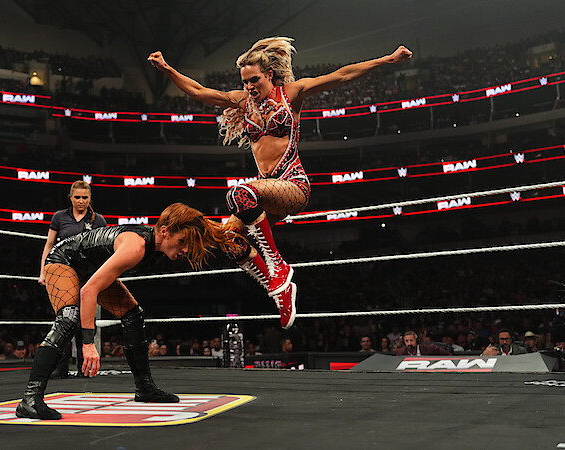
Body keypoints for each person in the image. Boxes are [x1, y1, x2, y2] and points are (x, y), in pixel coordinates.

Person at [149, 38, 413, 329]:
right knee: (227, 239)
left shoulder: (292, 93)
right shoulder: (242, 102)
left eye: (254, 80)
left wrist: (387, 60)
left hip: (293, 185)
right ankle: (279, 290)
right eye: (245, 82)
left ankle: (278, 265)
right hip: (264, 196)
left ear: (269, 75)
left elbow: (341, 75)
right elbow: (199, 92)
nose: (249, 86)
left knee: (239, 193)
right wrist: (166, 69)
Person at [15, 202, 239, 420]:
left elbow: (203, 226)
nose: (186, 249)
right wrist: (88, 344)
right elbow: (88, 292)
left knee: (133, 315)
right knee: (68, 318)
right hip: (64, 260)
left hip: (89, 267)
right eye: (182, 241)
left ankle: (145, 388)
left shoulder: (152, 242)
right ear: (165, 231)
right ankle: (30, 399)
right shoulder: (137, 246)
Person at [40, 180, 107, 379]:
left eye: (84, 197)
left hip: (88, 275)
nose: (80, 201)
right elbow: (49, 245)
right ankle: (60, 368)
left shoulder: (98, 220)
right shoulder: (59, 217)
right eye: (77, 197)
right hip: (63, 274)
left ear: (90, 198)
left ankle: (84, 368)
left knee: (86, 321)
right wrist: (44, 272)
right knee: (65, 320)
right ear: (70, 197)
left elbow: (103, 249)